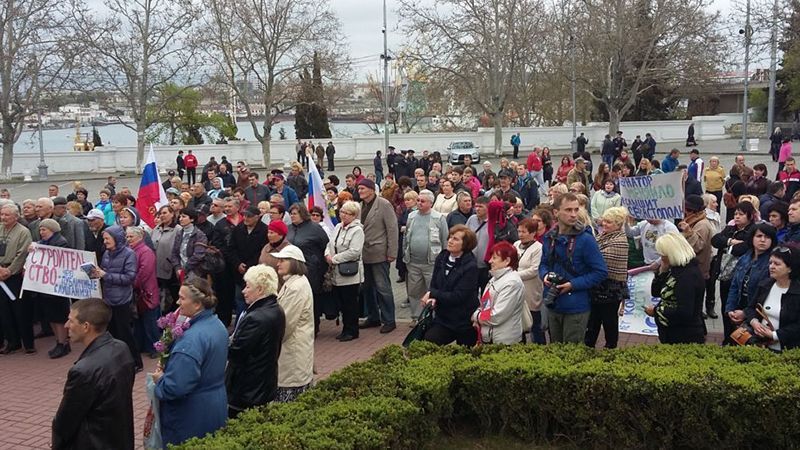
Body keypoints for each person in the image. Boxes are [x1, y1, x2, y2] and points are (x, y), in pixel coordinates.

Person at [153, 278, 228, 447]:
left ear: (197, 305)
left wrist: (160, 380)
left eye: (182, 298)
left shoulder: (190, 341)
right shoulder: (217, 325)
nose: (178, 302)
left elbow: (175, 387)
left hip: (190, 414)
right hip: (215, 404)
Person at [52, 299, 135, 450]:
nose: (66, 325)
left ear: (86, 327)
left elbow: (66, 420)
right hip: (120, 438)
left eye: (71, 321)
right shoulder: (121, 348)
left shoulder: (83, 370)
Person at [540, 193, 608, 343]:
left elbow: (601, 272)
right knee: (555, 350)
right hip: (553, 302)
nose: (573, 214)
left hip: (576, 305)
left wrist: (573, 285)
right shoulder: (549, 237)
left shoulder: (586, 239)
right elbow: (543, 263)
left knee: (571, 354)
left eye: (576, 210)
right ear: (556, 212)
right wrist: (544, 275)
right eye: (568, 210)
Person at [226, 265, 286, 418]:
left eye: (248, 287)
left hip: (248, 388)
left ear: (260, 290)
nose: (244, 291)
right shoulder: (276, 309)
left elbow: (236, 353)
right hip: (263, 384)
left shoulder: (255, 318)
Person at [92, 225, 143, 371]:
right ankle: (117, 361)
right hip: (108, 298)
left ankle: (135, 362)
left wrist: (106, 275)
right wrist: (96, 273)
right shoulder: (107, 253)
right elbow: (104, 270)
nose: (105, 242)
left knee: (125, 333)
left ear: (117, 239)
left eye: (107, 238)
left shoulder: (129, 254)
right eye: (104, 239)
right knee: (112, 333)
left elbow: (129, 277)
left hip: (122, 299)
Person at [419, 225, 479, 346]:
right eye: (450, 237)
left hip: (464, 321)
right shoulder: (442, 257)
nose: (450, 241)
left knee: (465, 356)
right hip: (443, 318)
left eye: (456, 239)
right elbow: (434, 283)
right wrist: (433, 297)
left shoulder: (470, 266)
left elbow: (458, 296)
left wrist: (432, 294)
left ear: (465, 244)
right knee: (429, 341)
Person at [270, 245, 315, 402]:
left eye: (282, 260)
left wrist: (269, 344)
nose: (278, 264)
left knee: (291, 398)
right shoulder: (293, 283)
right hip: (292, 350)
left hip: (293, 352)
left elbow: (286, 324)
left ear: (294, 262)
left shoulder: (296, 287)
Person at [645, 233, 705, 344]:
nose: (661, 258)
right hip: (670, 331)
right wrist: (662, 272)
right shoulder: (675, 269)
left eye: (663, 255)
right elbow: (656, 292)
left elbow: (685, 312)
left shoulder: (688, 276)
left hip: (684, 334)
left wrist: (656, 311)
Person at [357, 178, 399, 333]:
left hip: (379, 253)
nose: (360, 191)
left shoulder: (383, 204)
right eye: (359, 188)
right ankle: (373, 317)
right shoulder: (360, 206)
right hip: (364, 253)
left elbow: (392, 229)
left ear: (371, 190)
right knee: (367, 288)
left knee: (383, 287)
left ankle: (389, 319)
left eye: (363, 188)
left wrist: (392, 252)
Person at [712, 202, 757, 341]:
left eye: (741, 214)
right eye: (736, 214)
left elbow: (742, 249)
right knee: (726, 308)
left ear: (750, 216)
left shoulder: (753, 231)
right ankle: (727, 338)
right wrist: (731, 241)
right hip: (725, 275)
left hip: (741, 277)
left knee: (739, 311)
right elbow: (715, 240)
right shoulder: (730, 229)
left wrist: (728, 246)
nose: (737, 217)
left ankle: (737, 340)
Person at [585, 207, 629, 349]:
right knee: (593, 320)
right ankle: (589, 345)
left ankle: (611, 347)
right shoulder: (602, 236)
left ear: (618, 225)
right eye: (604, 220)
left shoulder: (620, 241)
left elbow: (601, 261)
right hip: (597, 286)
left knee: (609, 321)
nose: (604, 224)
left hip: (611, 288)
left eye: (609, 222)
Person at [403, 190, 448, 322]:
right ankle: (416, 317)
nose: (419, 203)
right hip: (413, 262)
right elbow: (406, 237)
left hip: (432, 263)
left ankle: (433, 317)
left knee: (432, 290)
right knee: (414, 291)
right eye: (418, 200)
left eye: (422, 201)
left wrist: (443, 260)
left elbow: (445, 240)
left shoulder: (438, 218)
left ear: (430, 203)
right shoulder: (411, 216)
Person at [745, 246, 800, 351]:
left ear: (790, 268)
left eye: (777, 264)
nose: (771, 267)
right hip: (760, 345)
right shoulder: (765, 285)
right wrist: (754, 322)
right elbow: (750, 308)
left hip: (788, 350)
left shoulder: (797, 292)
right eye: (770, 263)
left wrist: (774, 335)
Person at [725, 223, 776, 336]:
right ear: (752, 238)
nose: (763, 240)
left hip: (757, 314)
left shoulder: (771, 263)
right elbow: (734, 285)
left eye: (767, 237)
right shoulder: (745, 258)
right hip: (739, 306)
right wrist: (730, 309)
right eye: (759, 236)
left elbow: (764, 294)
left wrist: (745, 313)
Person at [32, 219, 73, 358]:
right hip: (46, 286)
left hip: (57, 286)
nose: (41, 232)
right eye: (40, 230)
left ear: (52, 230)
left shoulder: (61, 242)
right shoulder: (43, 243)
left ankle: (63, 343)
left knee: (59, 317)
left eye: (44, 230)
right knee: (51, 316)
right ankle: (58, 341)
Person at [325, 201, 365, 341]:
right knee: (341, 302)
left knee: (350, 303)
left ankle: (352, 330)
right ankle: (345, 328)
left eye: (347, 213)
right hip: (336, 272)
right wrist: (327, 255)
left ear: (354, 215)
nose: (343, 215)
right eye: (342, 212)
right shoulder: (337, 227)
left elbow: (354, 252)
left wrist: (335, 259)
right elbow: (330, 243)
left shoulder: (357, 230)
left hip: (350, 272)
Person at [473, 241, 526, 344]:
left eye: (494, 258)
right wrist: (479, 314)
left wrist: (476, 317)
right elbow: (485, 305)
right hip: (491, 338)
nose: (489, 261)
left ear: (507, 261)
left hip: (505, 341)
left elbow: (497, 316)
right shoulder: (495, 278)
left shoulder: (512, 283)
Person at [287, 203, 329, 334]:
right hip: (291, 269)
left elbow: (325, 245)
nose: (292, 216)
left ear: (302, 214)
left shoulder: (315, 229)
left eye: (295, 213)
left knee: (311, 299)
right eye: (291, 214)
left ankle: (314, 326)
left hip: (311, 269)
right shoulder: (288, 229)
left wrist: (320, 264)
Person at [0, 204, 33, 354]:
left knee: (20, 309)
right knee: (4, 310)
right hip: (0, 272)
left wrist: (10, 270)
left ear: (15, 216)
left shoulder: (23, 232)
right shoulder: (0, 228)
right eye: (2, 214)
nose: (3, 218)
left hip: (14, 276)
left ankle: (28, 343)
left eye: (7, 215)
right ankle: (12, 341)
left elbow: (22, 254)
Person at [678, 194, 717, 318]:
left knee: (694, 303)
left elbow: (697, 247)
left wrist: (689, 233)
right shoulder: (693, 221)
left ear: (694, 211)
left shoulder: (702, 225)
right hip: (693, 268)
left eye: (688, 210)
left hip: (698, 268)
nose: (685, 212)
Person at [126, 227, 160, 359]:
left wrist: (132, 282)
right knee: (138, 321)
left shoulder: (146, 252)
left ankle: (155, 347)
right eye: (127, 237)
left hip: (146, 293)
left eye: (131, 237)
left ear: (139, 237)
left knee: (150, 322)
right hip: (138, 292)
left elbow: (144, 272)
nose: (128, 239)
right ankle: (141, 345)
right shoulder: (132, 251)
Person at [228, 206, 268, 318]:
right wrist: (237, 263)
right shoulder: (238, 229)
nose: (246, 218)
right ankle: (240, 323)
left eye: (249, 216)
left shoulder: (264, 230)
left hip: (255, 271)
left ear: (257, 217)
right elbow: (231, 248)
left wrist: (249, 266)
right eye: (244, 215)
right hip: (239, 271)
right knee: (239, 298)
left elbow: (263, 251)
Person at [514, 219, 545, 344]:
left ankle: (539, 347)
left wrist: (514, 275)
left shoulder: (538, 248)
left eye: (524, 232)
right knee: (517, 321)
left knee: (534, 322)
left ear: (533, 233)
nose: (520, 234)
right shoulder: (516, 244)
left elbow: (534, 270)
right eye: (519, 231)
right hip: (516, 289)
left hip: (531, 290)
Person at [152, 205, 180, 312]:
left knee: (171, 298)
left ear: (172, 214)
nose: (162, 216)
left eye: (165, 213)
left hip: (170, 270)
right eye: (160, 214)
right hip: (155, 269)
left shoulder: (178, 230)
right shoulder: (156, 228)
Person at [169, 208, 208, 282]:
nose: (180, 219)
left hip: (195, 272)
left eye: (184, 217)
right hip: (180, 270)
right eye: (180, 217)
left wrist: (184, 269)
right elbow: (174, 252)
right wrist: (177, 267)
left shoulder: (199, 235)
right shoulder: (179, 233)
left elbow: (198, 255)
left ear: (192, 219)